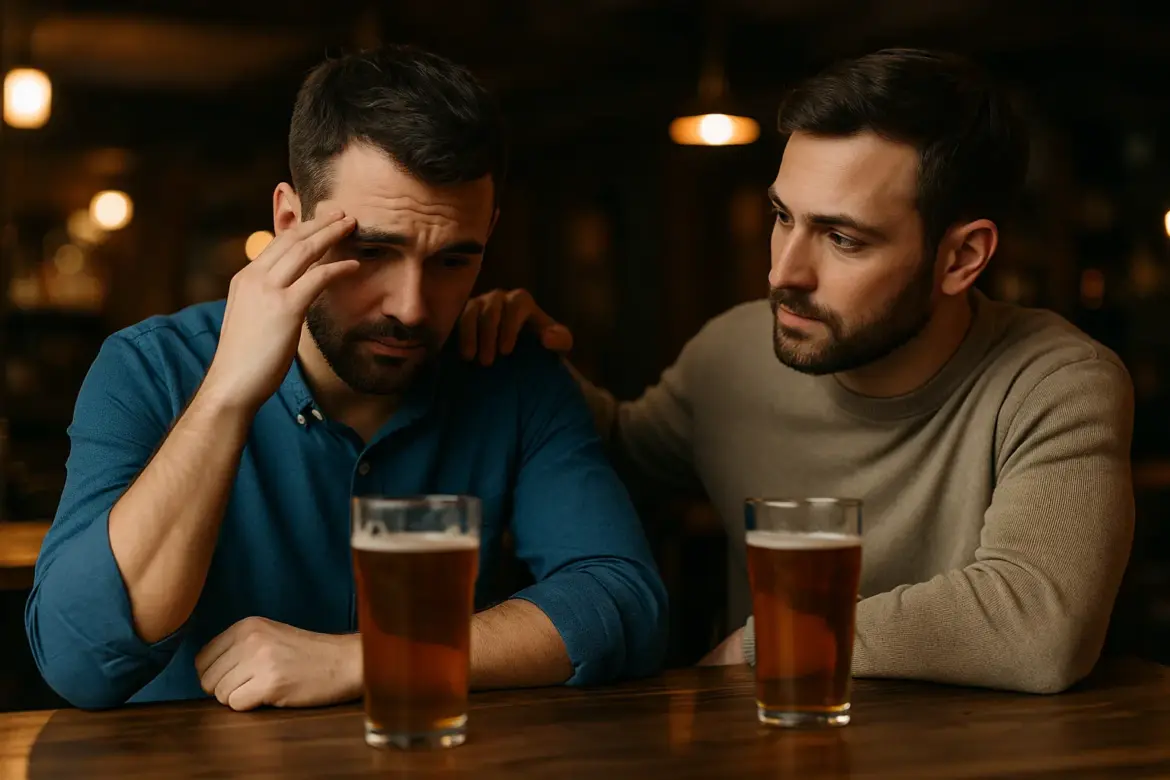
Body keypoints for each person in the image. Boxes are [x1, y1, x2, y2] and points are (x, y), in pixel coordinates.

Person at [459, 48, 1135, 694]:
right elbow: (607, 456)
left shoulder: (1056, 381)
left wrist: (765, 644)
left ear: (962, 258)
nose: (784, 273)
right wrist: (520, 352)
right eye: (783, 217)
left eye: (843, 238)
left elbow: (1041, 625)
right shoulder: (732, 354)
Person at [26, 44, 667, 711]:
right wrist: (226, 397)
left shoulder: (512, 375)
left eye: (453, 261)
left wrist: (375, 658)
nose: (412, 307)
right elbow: (80, 661)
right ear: (289, 222)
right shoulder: (151, 369)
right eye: (372, 251)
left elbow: (621, 601)